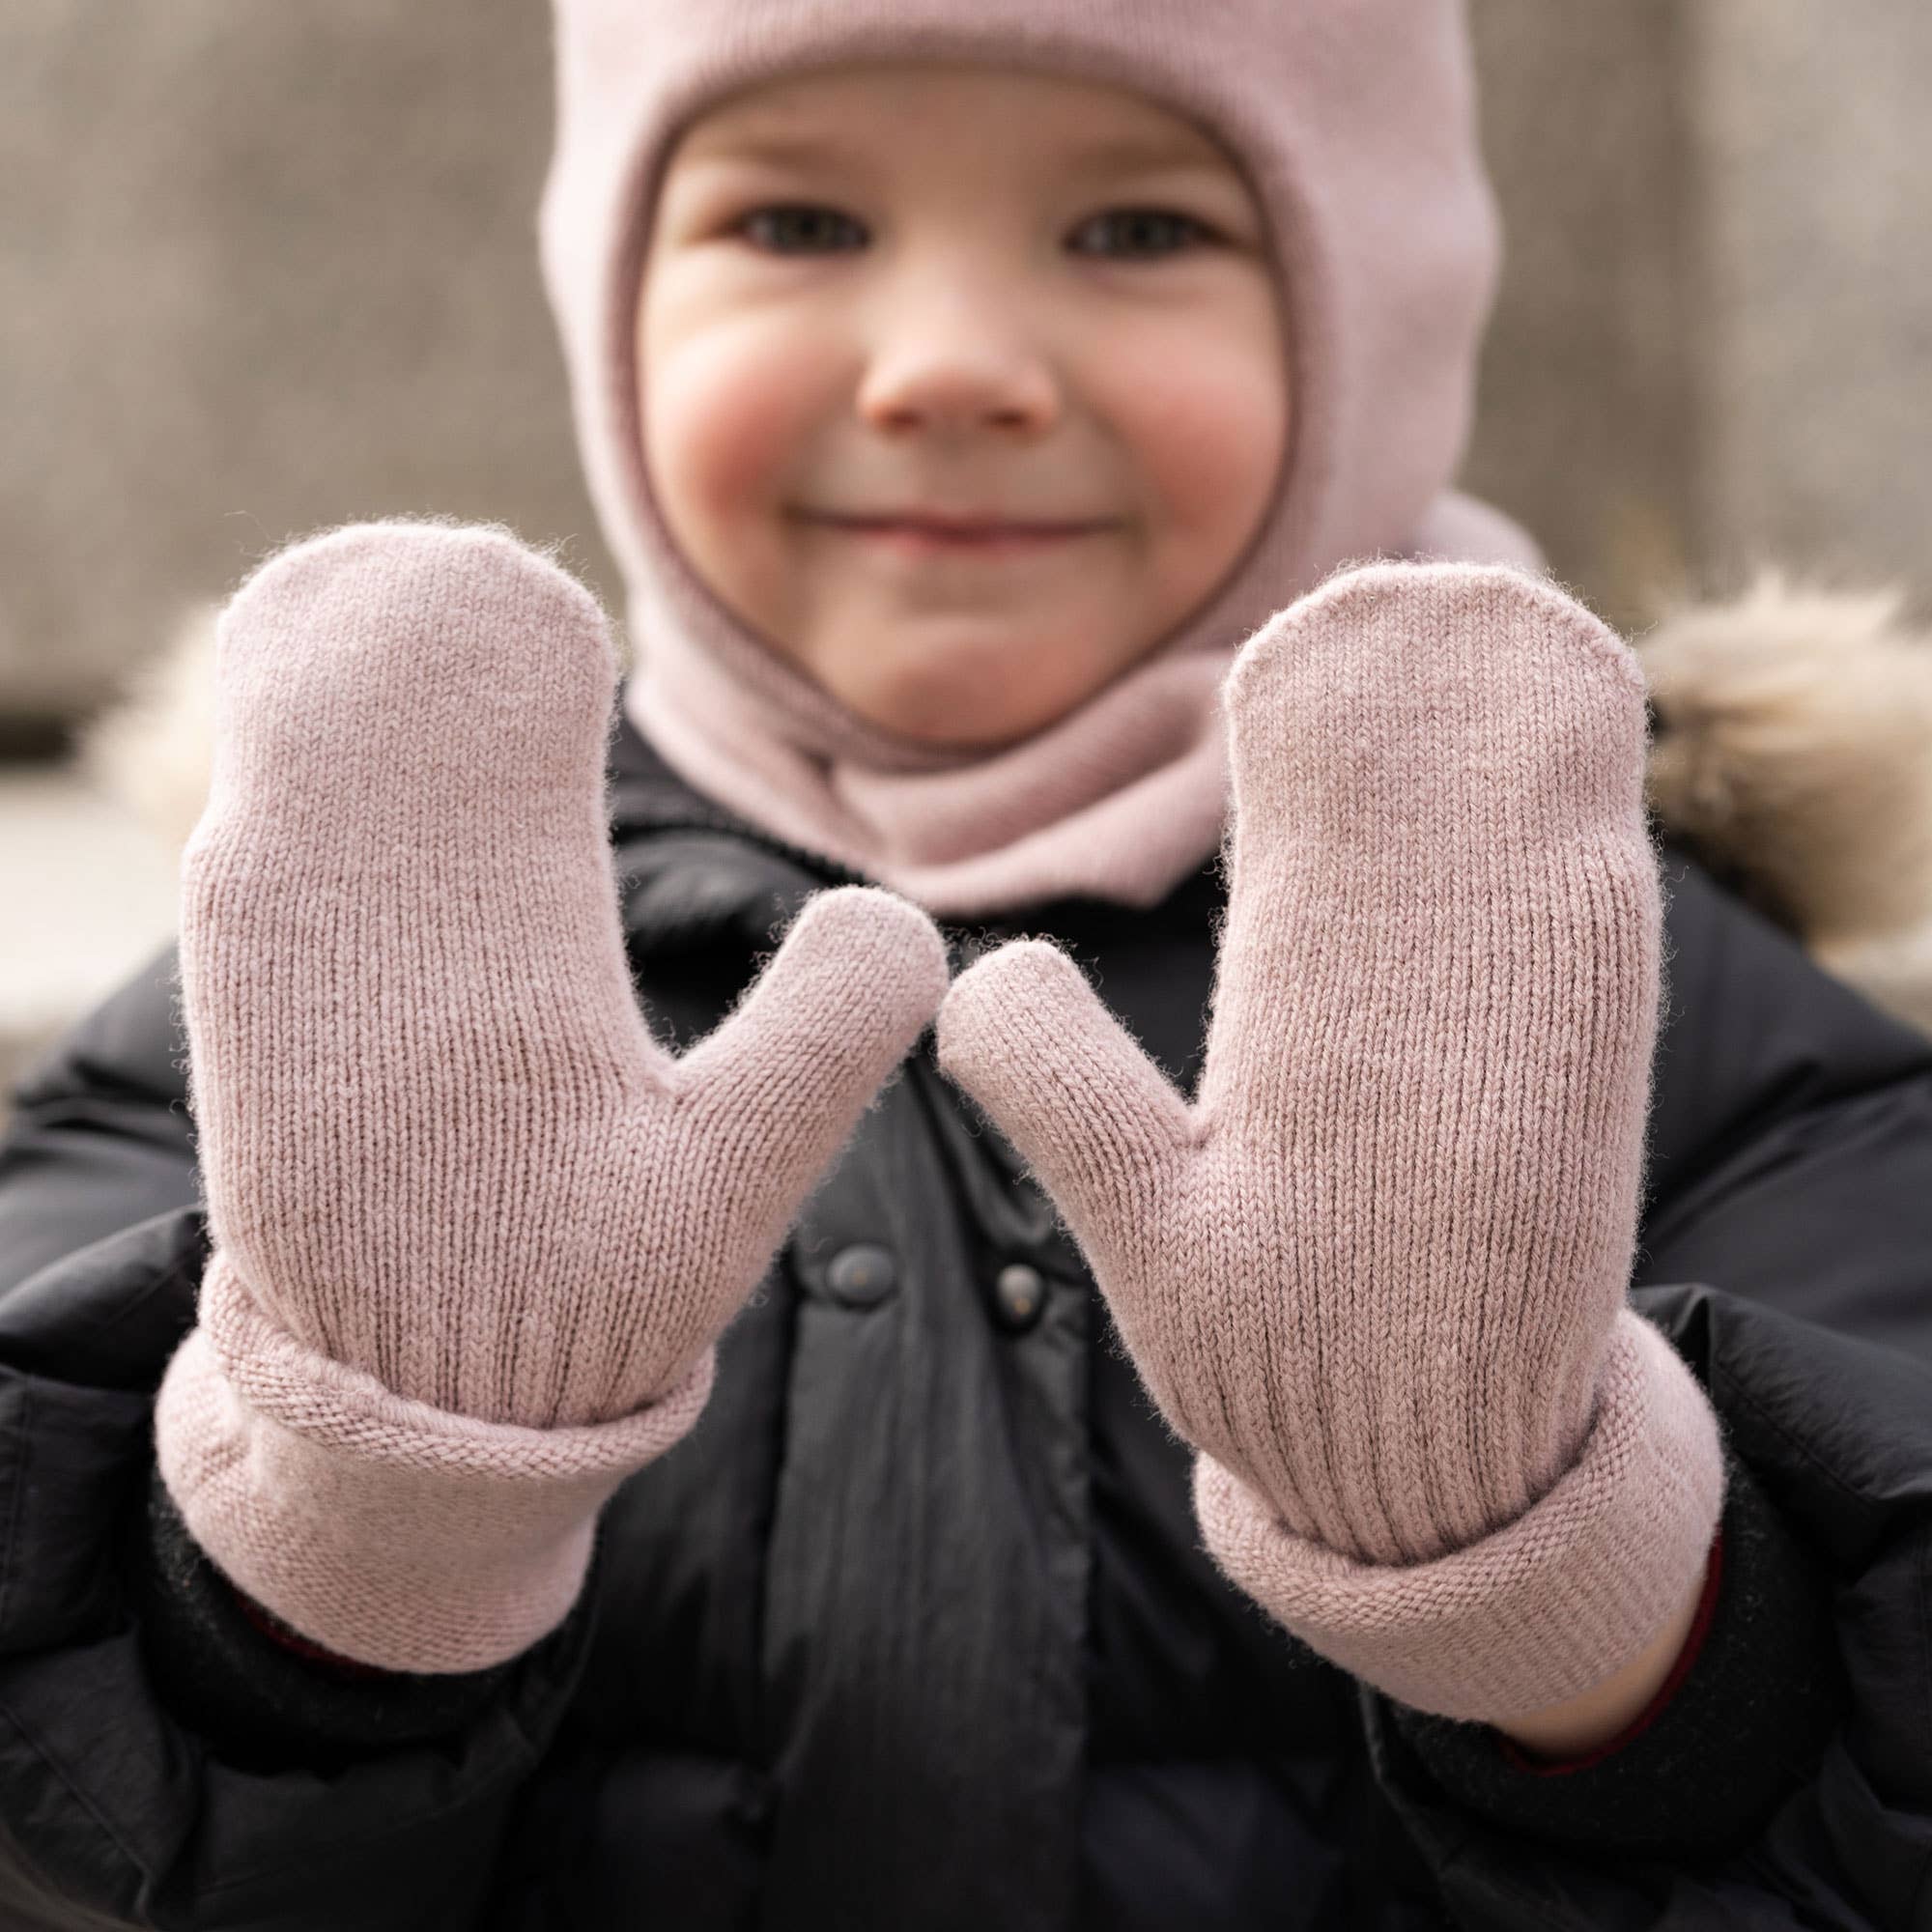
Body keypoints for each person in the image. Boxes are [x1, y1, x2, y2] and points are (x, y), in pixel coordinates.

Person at [0, 1, 1929, 1925]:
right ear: (609, 303)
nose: (946, 367)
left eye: (1135, 233)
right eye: (799, 227)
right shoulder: (326, 1003)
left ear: (1381, 306)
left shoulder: (1670, 1015)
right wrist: (337, 1533)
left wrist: (1564, 1593)